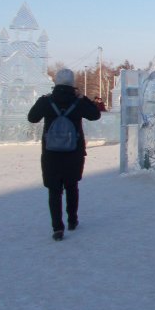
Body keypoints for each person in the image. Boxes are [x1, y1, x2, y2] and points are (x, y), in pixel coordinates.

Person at [28, 69, 101, 241]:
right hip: (73, 152)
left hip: (51, 153)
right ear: (72, 83)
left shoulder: (46, 101)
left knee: (54, 191)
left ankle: (57, 227)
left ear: (56, 82)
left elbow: (32, 118)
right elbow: (95, 115)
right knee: (71, 186)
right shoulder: (78, 101)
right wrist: (83, 98)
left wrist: (43, 102)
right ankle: (72, 220)